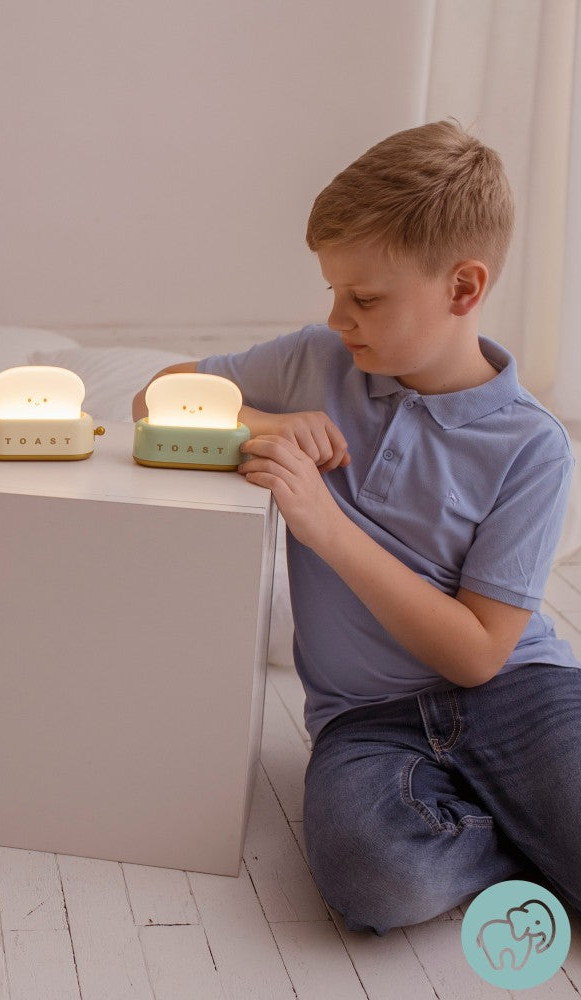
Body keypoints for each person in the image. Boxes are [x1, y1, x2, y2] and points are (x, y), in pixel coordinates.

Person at [133, 120, 580, 934]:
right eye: (335, 291)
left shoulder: (533, 445)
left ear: (463, 289)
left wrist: (327, 525)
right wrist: (264, 424)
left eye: (365, 298)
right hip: (364, 721)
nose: (339, 317)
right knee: (376, 881)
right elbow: (151, 395)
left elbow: (480, 654)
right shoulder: (315, 361)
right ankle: (528, 833)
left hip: (520, 694)